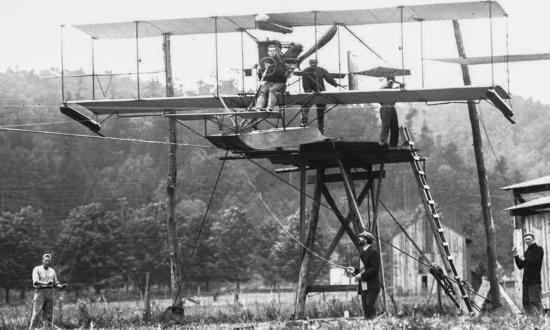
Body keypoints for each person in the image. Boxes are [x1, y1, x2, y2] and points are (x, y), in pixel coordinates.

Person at [300, 59, 345, 133]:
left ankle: (321, 127)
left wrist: (335, 84)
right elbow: (305, 83)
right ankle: (304, 122)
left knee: (320, 109)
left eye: (314, 63)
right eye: (311, 63)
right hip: (311, 92)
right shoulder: (306, 71)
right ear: (309, 64)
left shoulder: (321, 70)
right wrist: (308, 90)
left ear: (317, 63)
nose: (313, 64)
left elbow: (328, 77)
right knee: (306, 107)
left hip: (320, 91)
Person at [346, 231, 381, 319]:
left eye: (361, 238)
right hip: (364, 286)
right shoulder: (363, 253)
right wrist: (354, 270)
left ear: (366, 240)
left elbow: (374, 269)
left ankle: (373, 325)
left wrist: (361, 276)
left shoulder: (373, 252)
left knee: (369, 306)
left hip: (372, 285)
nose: (359, 239)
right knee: (366, 308)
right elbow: (364, 269)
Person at [29, 254, 67, 329]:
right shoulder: (37, 269)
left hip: (50, 294)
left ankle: (48, 328)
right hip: (40, 293)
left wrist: (61, 286)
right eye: (46, 260)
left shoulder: (52, 271)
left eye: (49, 261)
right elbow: (35, 282)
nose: (47, 262)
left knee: (49, 315)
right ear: (42, 260)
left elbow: (55, 283)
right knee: (36, 314)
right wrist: (46, 283)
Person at [512, 233, 544, 314]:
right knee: (526, 303)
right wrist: (516, 255)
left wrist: (525, 259)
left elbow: (536, 262)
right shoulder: (527, 252)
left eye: (529, 239)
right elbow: (520, 266)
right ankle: (530, 321)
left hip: (534, 281)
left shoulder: (539, 249)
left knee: (535, 302)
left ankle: (541, 320)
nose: (527, 240)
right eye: (526, 239)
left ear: (533, 239)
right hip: (525, 282)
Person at [252, 44, 291, 111]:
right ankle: (258, 107)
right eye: (270, 51)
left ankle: (270, 108)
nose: (272, 52)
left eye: (273, 51)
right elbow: (262, 77)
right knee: (262, 90)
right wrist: (259, 71)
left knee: (272, 90)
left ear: (276, 52)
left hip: (280, 83)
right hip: (269, 82)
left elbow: (281, 74)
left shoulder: (281, 61)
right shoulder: (266, 61)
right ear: (268, 52)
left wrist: (270, 68)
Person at [378, 76, 400, 147]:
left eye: (393, 81)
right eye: (391, 81)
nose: (392, 83)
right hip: (385, 107)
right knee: (386, 126)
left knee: (395, 127)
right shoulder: (383, 89)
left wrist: (399, 83)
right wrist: (387, 83)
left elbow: (402, 87)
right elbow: (378, 91)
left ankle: (393, 145)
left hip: (392, 107)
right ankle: (382, 142)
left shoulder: (393, 90)